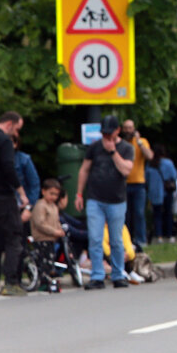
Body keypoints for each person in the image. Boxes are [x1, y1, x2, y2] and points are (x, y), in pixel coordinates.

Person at [75, 115, 134, 289]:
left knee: (116, 240)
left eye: (110, 133)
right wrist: (79, 194)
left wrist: (113, 152)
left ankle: (118, 274)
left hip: (117, 200)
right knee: (95, 238)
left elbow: (126, 170)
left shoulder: (126, 148)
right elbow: (84, 169)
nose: (106, 137)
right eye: (104, 133)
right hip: (95, 199)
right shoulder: (94, 147)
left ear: (117, 131)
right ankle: (97, 276)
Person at [0, 112, 29, 296]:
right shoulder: (4, 141)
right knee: (13, 237)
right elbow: (8, 167)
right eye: (17, 129)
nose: (16, 134)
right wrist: (21, 192)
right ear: (10, 124)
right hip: (3, 196)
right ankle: (10, 282)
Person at [120, 118, 153, 248]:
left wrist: (139, 142)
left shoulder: (142, 142)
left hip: (139, 183)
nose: (128, 130)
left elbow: (150, 156)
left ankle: (141, 239)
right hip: (124, 183)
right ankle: (127, 240)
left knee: (139, 213)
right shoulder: (120, 143)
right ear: (122, 129)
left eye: (130, 127)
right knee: (125, 214)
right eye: (126, 128)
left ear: (134, 129)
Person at [145, 144, 177, 242]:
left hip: (154, 193)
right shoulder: (168, 163)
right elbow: (174, 175)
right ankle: (169, 235)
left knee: (157, 215)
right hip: (167, 191)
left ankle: (159, 235)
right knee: (168, 213)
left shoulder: (150, 164)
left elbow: (146, 178)